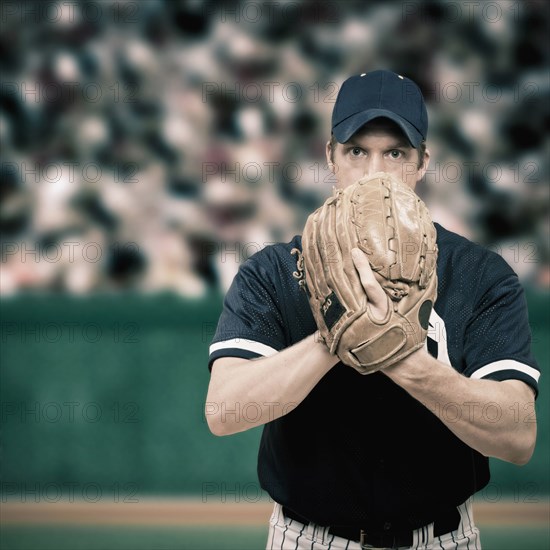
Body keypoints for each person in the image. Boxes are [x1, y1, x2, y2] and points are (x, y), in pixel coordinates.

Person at [205, 70, 540, 550]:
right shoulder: (277, 271)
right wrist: (336, 333)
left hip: (441, 538)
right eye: (357, 151)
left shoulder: (479, 275)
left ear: (423, 162)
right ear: (331, 157)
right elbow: (224, 410)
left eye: (396, 153)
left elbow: (517, 435)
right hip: (310, 539)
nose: (375, 173)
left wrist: (400, 352)